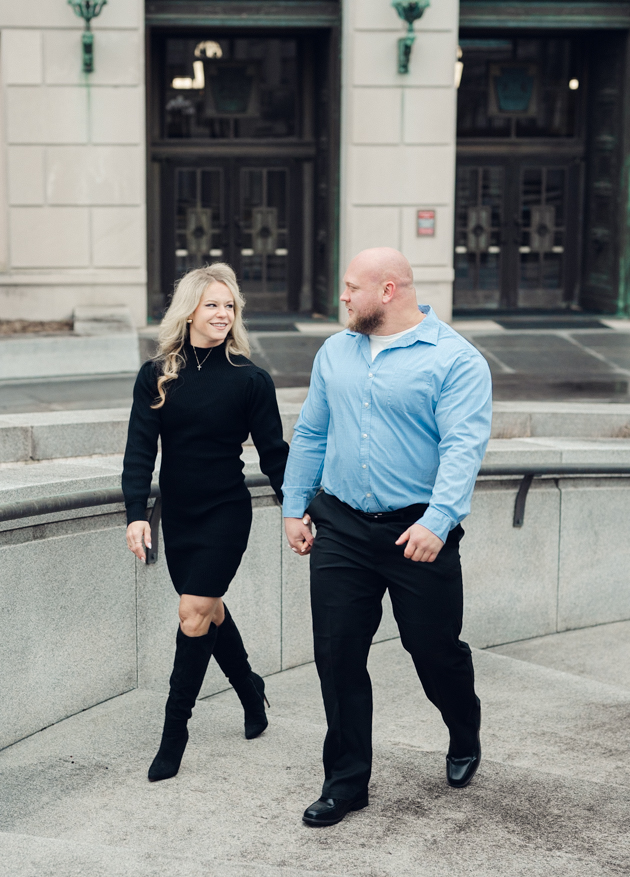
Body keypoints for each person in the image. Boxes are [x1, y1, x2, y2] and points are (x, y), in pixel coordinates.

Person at [282, 247, 492, 827]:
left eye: (352, 287)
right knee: (337, 654)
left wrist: (438, 520)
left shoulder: (456, 360)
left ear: (390, 290)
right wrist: (294, 506)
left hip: (417, 531)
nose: (343, 297)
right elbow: (312, 431)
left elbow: (462, 448)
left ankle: (463, 725)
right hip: (342, 526)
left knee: (433, 651)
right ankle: (346, 782)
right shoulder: (335, 351)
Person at [122, 263, 289, 782]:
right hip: (181, 517)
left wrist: (296, 509)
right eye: (213, 304)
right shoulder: (158, 375)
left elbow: (275, 454)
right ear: (190, 309)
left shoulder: (251, 380)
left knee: (191, 612)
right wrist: (135, 515)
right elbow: (139, 449)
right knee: (209, 610)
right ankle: (251, 692)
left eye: (230, 306)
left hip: (225, 514)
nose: (223, 313)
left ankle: (174, 736)